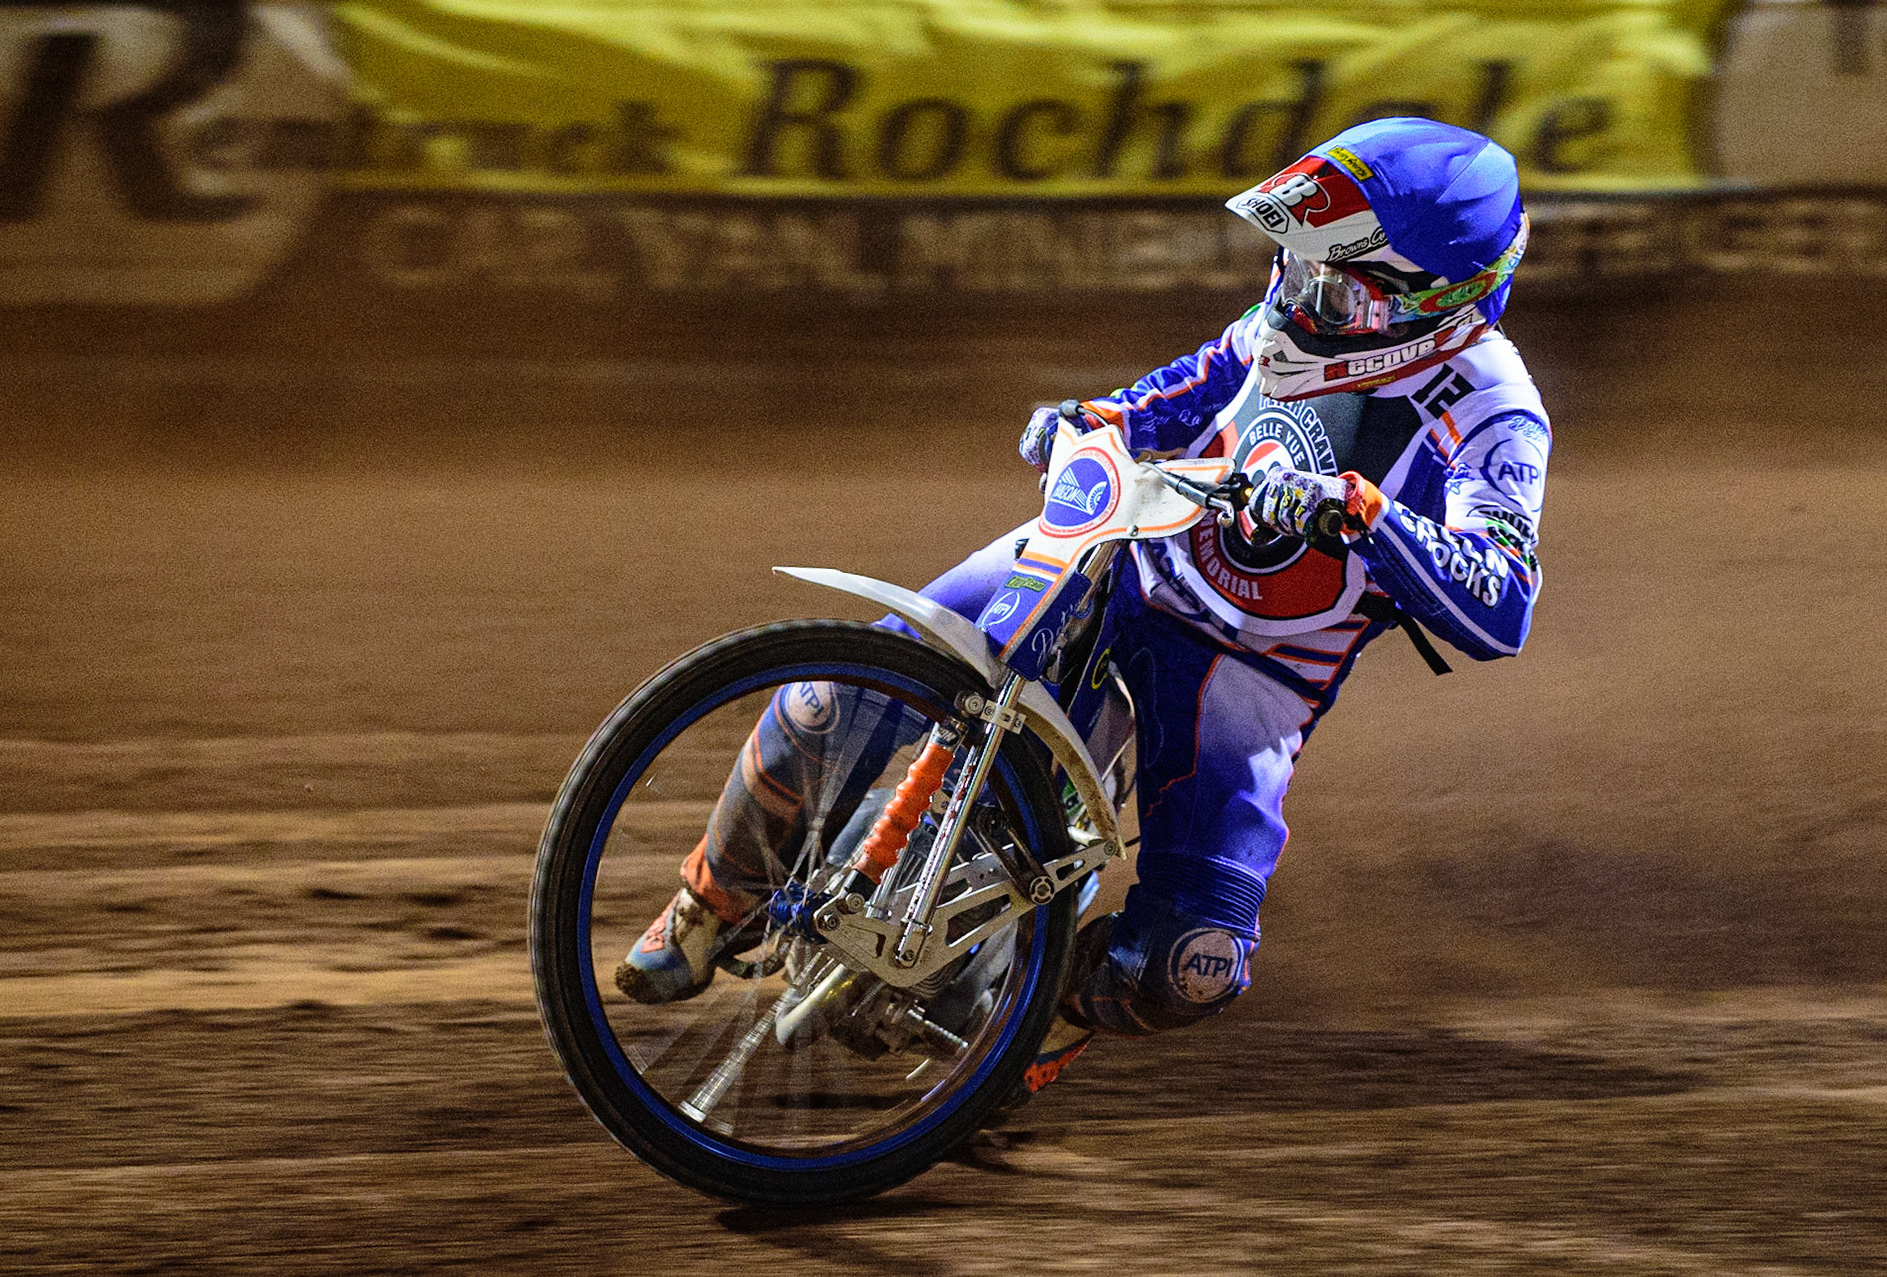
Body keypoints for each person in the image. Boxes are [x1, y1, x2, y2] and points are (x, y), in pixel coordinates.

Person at [617, 116, 1551, 1103]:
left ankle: (1036, 1026)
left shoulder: (1493, 410)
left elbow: (1503, 600)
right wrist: (1087, 419)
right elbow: (1175, 394)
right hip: (1126, 551)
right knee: (833, 694)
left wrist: (1364, 514)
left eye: (1333, 284)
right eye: (1295, 263)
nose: (1296, 294)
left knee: (1193, 964)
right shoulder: (1283, 323)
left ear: (1434, 303)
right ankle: (710, 900)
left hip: (1253, 667)